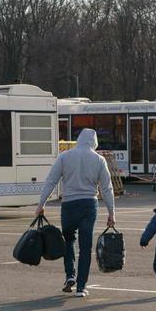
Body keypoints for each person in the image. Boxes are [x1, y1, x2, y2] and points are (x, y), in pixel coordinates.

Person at [36, 128, 115, 298]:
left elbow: (51, 181)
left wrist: (41, 204)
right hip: (89, 205)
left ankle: (69, 275)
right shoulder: (99, 160)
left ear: (79, 139)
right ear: (94, 142)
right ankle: (81, 286)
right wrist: (111, 213)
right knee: (85, 246)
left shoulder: (65, 156)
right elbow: (107, 188)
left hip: (69, 205)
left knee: (68, 240)